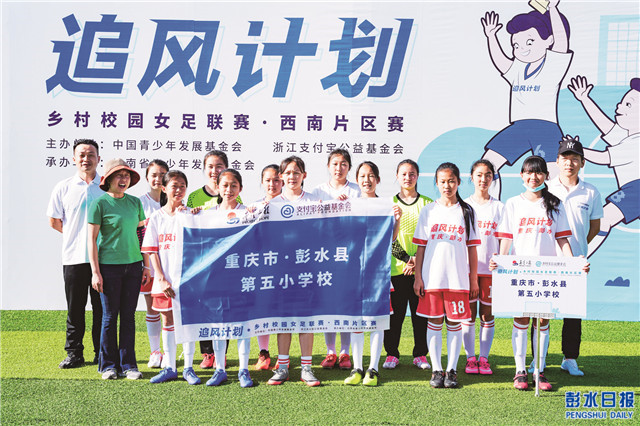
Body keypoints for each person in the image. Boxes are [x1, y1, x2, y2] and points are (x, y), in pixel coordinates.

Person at [491, 155, 588, 391]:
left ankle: (539, 370)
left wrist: (574, 264)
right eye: (529, 172)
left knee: (543, 320)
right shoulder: (513, 204)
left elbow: (562, 239)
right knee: (521, 319)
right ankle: (520, 371)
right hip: (519, 272)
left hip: (546, 274)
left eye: (539, 172)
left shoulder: (555, 204)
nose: (533, 177)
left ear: (546, 176)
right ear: (521, 175)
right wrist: (499, 261)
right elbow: (506, 239)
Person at [480, 1, 572, 197]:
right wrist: (491, 36)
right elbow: (500, 61)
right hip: (519, 127)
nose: (522, 49)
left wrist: (552, 8)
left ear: (548, 41)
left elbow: (561, 41)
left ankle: (556, 210)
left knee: (553, 179)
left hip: (545, 128)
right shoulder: (518, 67)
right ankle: (492, 206)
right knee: (488, 165)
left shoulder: (553, 65)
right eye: (516, 45)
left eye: (529, 42)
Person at [412, 162, 479, 389]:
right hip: (432, 278)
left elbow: (472, 248)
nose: (447, 186)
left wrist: (473, 279)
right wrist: (418, 277)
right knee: (434, 322)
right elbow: (421, 247)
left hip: (457, 279)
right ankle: (436, 369)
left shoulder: (467, 211)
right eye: (442, 181)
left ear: (458, 182)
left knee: (454, 323)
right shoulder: (428, 210)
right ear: (436, 183)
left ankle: (451, 370)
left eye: (451, 181)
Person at [88, 158, 150, 380]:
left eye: (126, 175)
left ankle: (129, 365)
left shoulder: (135, 203)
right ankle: (108, 366)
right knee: (109, 317)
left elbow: (142, 235)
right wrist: (95, 272)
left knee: (128, 317)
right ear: (108, 179)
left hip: (133, 267)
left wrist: (146, 265)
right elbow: (91, 240)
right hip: (108, 268)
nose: (123, 179)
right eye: (119, 175)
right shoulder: (99, 204)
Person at [546, 137, 602, 376]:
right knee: (542, 312)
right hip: (546, 259)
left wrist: (578, 249)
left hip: (575, 262)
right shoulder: (546, 188)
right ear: (557, 161)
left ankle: (569, 359)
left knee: (572, 314)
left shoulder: (590, 192)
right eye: (565, 158)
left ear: (582, 163)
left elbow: (595, 227)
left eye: (575, 159)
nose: (569, 163)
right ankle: (538, 358)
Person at [47, 139, 104, 368]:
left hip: (103, 259)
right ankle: (74, 353)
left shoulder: (106, 186)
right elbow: (54, 220)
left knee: (102, 310)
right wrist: (77, 236)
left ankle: (102, 353)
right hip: (73, 258)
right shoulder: (63, 187)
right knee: (75, 308)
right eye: (81, 155)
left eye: (91, 154)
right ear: (73, 159)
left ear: (98, 159)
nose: (86, 159)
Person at [567, 76, 639, 257]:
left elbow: (603, 157)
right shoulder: (627, 135)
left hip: (636, 189)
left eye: (628, 105)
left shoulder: (636, 142)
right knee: (602, 221)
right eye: (622, 102)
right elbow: (606, 126)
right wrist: (585, 99)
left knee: (603, 220)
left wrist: (575, 149)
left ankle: (578, 261)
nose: (619, 107)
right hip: (633, 190)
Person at [344, 161, 401, 387]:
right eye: (362, 176)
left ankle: (373, 369)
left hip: (378, 273)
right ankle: (357, 367)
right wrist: (339, 208)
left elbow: (391, 239)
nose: (366, 180)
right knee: (356, 323)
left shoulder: (386, 205)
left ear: (378, 179)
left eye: (371, 176)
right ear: (357, 180)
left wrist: (397, 220)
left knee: (377, 321)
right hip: (353, 272)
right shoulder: (350, 204)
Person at [142, 170, 202, 385]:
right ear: (164, 188)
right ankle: (170, 367)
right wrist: (160, 278)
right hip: (164, 281)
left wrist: (196, 216)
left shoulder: (191, 216)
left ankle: (188, 368)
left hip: (188, 281)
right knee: (167, 321)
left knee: (188, 322)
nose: (178, 190)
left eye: (182, 186)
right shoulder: (156, 217)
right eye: (174, 186)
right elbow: (152, 250)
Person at [268, 156, 321, 387]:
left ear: (304, 175)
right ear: (281, 176)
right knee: (283, 320)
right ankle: (282, 367)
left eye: (296, 172)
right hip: (281, 270)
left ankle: (306, 368)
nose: (292, 177)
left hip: (307, 269)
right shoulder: (271, 204)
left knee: (306, 320)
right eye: (288, 173)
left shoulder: (314, 202)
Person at [186, 150, 239, 368]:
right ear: (204, 169)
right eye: (210, 166)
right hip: (202, 261)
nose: (215, 170)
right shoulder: (194, 196)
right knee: (203, 307)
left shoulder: (233, 193)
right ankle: (207, 353)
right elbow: (188, 224)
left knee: (223, 308)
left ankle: (221, 353)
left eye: (219, 166)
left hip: (226, 261)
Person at [312, 149, 361, 370]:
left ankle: (345, 352)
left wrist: (349, 205)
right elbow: (312, 221)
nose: (338, 168)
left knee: (346, 304)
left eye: (343, 164)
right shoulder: (318, 191)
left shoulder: (356, 191)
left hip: (349, 255)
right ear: (328, 166)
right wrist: (327, 205)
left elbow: (363, 219)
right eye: (334, 163)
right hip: (324, 255)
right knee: (329, 304)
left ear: (349, 167)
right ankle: (330, 351)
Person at [205, 169, 254, 388]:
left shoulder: (248, 212)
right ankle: (220, 369)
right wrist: (192, 214)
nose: (229, 190)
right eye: (224, 185)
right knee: (218, 324)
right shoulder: (208, 215)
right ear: (217, 187)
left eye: (234, 185)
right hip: (217, 278)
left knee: (243, 324)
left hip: (241, 277)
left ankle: (244, 369)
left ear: (240, 188)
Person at [383, 160, 432, 371]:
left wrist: (415, 262)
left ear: (417, 176)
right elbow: (386, 238)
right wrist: (406, 259)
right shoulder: (389, 203)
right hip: (396, 270)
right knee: (395, 317)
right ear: (397, 176)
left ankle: (420, 354)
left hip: (420, 271)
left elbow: (430, 238)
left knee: (421, 316)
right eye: (403, 174)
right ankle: (391, 354)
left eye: (412, 174)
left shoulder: (428, 204)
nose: (407, 178)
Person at [461, 160, 504, 375]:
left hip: (490, 271)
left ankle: (484, 359)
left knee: (487, 316)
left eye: (488, 175)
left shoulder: (499, 207)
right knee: (468, 315)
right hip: (467, 271)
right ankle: (470, 358)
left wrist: (501, 260)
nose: (483, 179)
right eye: (479, 175)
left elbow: (505, 239)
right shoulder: (463, 206)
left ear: (493, 178)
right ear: (471, 177)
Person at [250, 164, 284, 370]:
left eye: (276, 180)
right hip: (261, 265)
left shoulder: (292, 205)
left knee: (282, 310)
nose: (272, 184)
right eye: (268, 180)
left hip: (287, 264)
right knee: (262, 309)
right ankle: (264, 352)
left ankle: (283, 355)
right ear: (262, 182)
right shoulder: (254, 206)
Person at [139, 159, 169, 369]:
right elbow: (138, 233)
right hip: (149, 265)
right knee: (152, 308)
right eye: (154, 175)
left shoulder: (174, 200)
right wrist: (145, 266)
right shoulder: (140, 203)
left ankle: (169, 352)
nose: (158, 179)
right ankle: (155, 351)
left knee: (169, 310)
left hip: (170, 264)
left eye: (162, 175)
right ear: (147, 178)